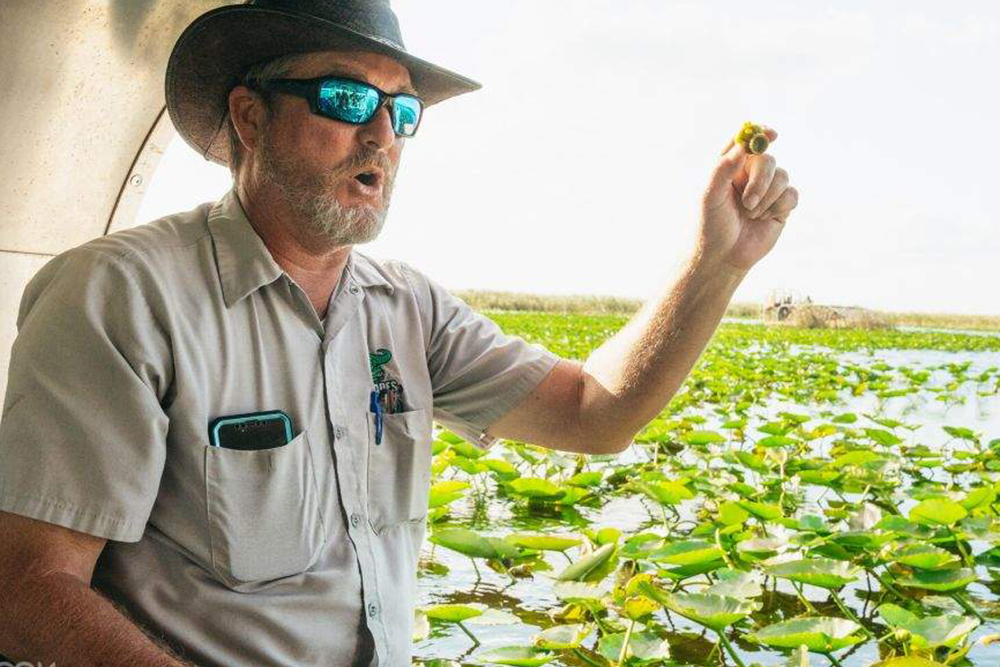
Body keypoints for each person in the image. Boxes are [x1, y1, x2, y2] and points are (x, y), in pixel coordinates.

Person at [0, 0, 799, 666]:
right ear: (250, 116)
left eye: (402, 109)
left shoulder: (408, 309)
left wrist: (716, 262)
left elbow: (596, 411)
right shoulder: (119, 293)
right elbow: (28, 585)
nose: (382, 134)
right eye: (348, 100)